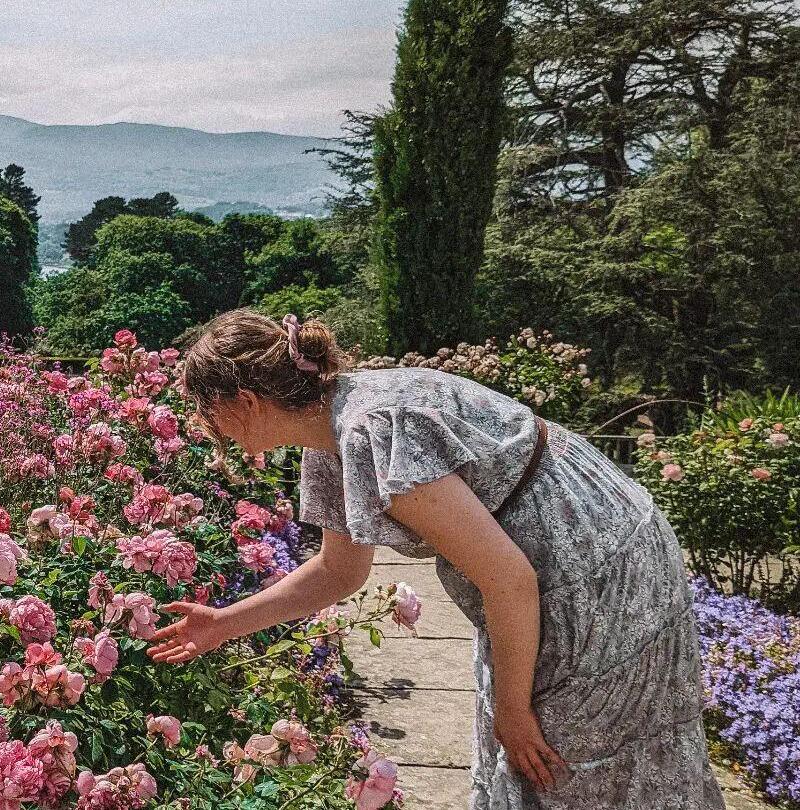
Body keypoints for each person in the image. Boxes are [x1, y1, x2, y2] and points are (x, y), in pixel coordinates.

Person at [146, 310, 724, 809]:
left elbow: (510, 579)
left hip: (599, 567)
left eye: (206, 410)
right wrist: (224, 623)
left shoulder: (373, 427)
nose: (204, 427)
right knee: (542, 757)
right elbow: (339, 572)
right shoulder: (329, 436)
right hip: (551, 563)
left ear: (246, 401)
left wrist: (512, 709)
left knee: (568, 758)